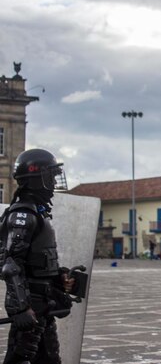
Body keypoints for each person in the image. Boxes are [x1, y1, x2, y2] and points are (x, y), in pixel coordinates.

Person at [0, 149, 76, 364]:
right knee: (20, 358)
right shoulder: (22, 215)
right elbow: (11, 266)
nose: (53, 182)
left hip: (44, 302)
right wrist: (22, 308)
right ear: (36, 178)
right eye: (49, 176)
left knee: (49, 358)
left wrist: (59, 277)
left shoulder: (37, 212)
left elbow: (39, 260)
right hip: (32, 302)